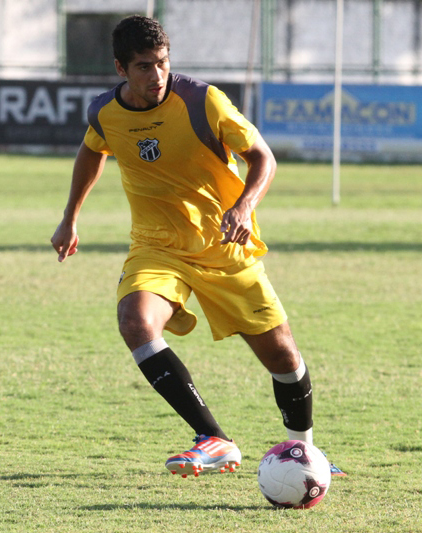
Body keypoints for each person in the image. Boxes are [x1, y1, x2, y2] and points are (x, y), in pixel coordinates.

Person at [50, 15, 345, 479]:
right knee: (135, 321)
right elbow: (92, 150)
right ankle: (214, 439)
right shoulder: (104, 112)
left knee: (282, 356)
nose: (156, 75)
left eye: (163, 63)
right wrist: (70, 218)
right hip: (157, 247)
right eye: (144, 66)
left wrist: (244, 207)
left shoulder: (203, 100)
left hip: (224, 244)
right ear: (120, 69)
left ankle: (307, 451)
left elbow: (262, 157)